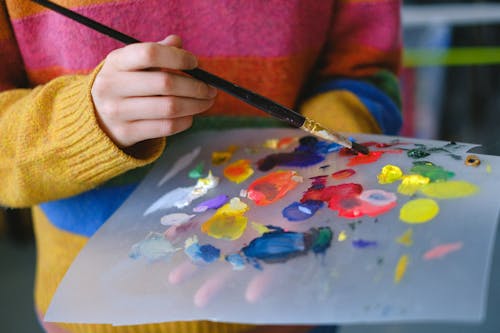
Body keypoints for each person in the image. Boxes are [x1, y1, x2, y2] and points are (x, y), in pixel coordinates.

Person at [0, 0, 403, 332]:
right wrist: (81, 122)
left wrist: (322, 164)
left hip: (292, 298)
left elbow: (363, 72)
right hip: (95, 312)